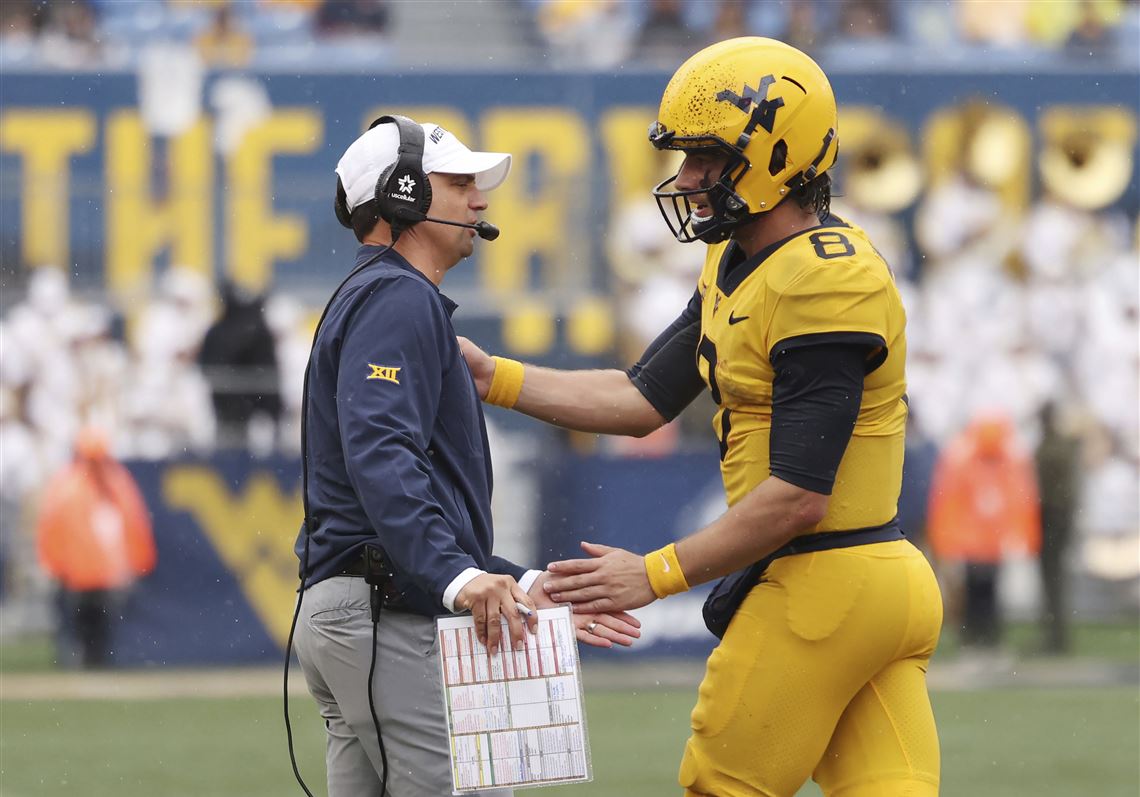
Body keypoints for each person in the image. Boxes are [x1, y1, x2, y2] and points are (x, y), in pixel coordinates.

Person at [462, 38, 943, 797]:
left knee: (720, 785)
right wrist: (495, 376)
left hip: (825, 580)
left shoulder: (825, 280)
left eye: (706, 159)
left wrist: (651, 574)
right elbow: (640, 398)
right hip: (870, 583)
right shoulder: (741, 260)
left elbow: (798, 496)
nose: (685, 179)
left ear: (776, 156)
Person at [292, 115, 639, 797]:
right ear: (403, 193)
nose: (479, 198)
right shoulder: (398, 295)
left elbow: (395, 476)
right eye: (458, 182)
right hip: (387, 609)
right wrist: (456, 575)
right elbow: (382, 452)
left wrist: (515, 578)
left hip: (364, 601)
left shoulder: (379, 295)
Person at [36, 427, 156, 667]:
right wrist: (55, 563)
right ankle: (79, 661)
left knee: (100, 627)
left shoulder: (112, 483)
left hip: (102, 571)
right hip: (79, 572)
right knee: (80, 625)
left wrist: (137, 561)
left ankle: (96, 661)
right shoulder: (71, 485)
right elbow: (52, 528)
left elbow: (133, 524)